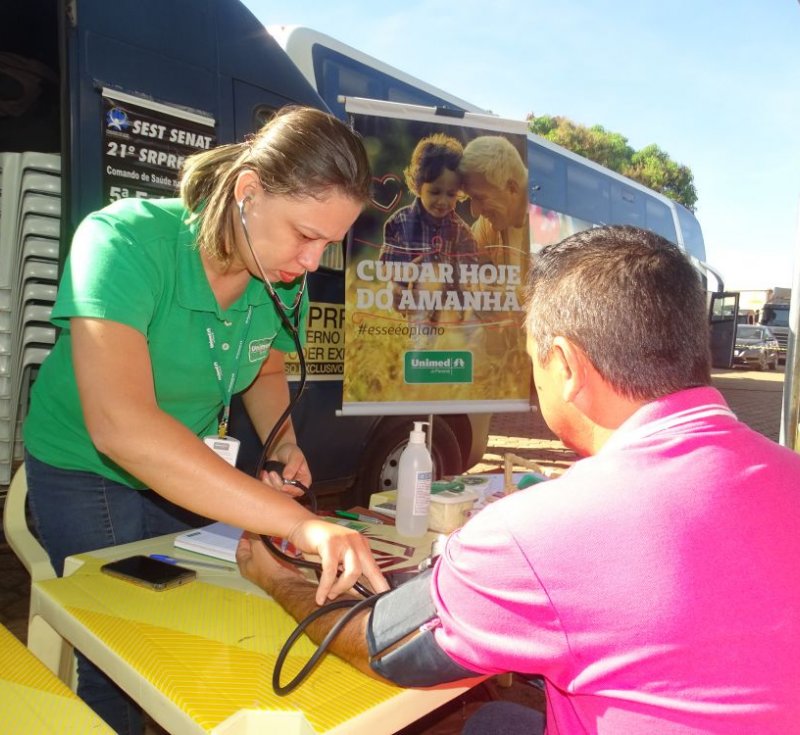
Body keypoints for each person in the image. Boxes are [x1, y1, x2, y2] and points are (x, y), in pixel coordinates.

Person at [237, 225, 800, 734]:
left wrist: (275, 577)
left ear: (564, 364)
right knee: (500, 720)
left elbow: (385, 645)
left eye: (532, 358)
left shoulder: (542, 532)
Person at [23, 105, 388, 734]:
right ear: (248, 190)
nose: (311, 260)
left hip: (184, 464)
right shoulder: (124, 240)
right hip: (86, 464)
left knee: (199, 616)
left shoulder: (280, 280)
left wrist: (282, 445)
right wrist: (302, 525)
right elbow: (122, 427)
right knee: (118, 646)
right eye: (305, 234)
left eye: (329, 243)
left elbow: (267, 371)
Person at [379, 132, 477, 327]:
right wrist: (400, 282)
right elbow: (387, 269)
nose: (443, 201)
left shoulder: (463, 233)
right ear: (418, 185)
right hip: (411, 316)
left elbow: (470, 280)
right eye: (435, 192)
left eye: (451, 194)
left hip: (450, 321)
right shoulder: (398, 223)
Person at [458, 134, 529, 268]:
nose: (474, 212)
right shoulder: (488, 225)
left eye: (480, 198)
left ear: (512, 188)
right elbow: (461, 264)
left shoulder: (547, 220)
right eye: (472, 198)